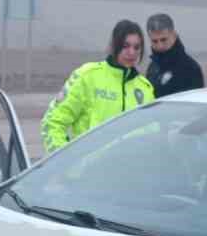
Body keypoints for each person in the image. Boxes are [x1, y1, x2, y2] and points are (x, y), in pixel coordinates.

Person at [41, 19, 155, 153]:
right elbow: (52, 122)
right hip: (91, 166)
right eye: (125, 46)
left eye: (136, 47)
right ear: (114, 45)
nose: (132, 52)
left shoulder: (145, 88)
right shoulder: (88, 76)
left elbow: (151, 135)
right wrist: (65, 159)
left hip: (132, 165)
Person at [145, 13, 205, 98]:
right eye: (155, 41)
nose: (160, 46)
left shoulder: (191, 68)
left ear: (174, 35)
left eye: (164, 40)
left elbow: (194, 103)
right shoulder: (152, 68)